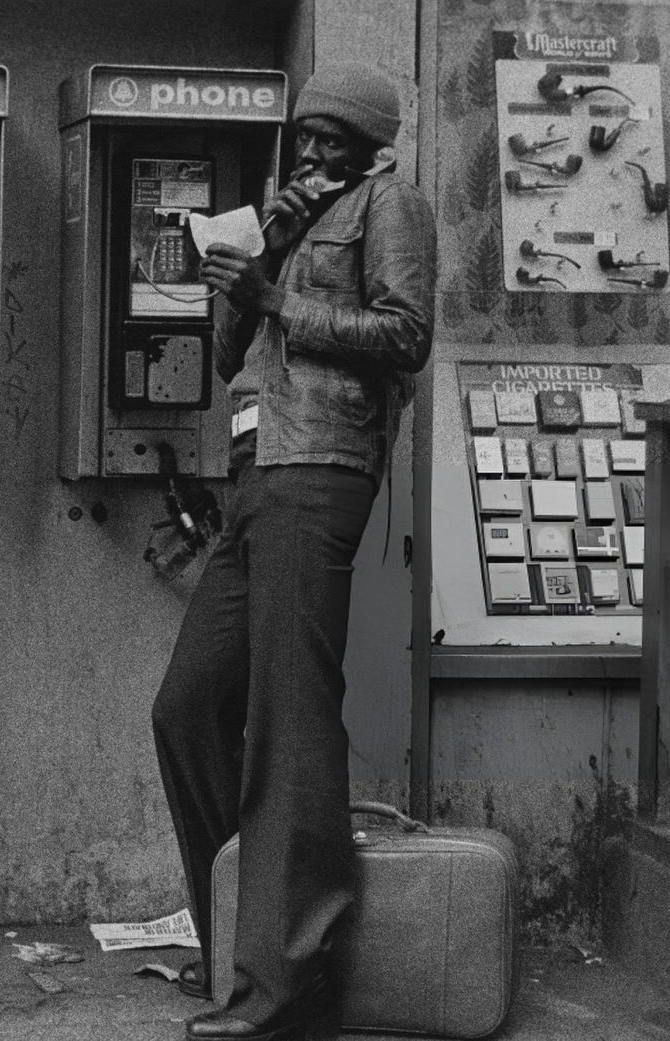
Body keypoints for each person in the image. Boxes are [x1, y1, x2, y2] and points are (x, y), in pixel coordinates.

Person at [151, 63, 436, 1041]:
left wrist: (277, 297)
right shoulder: (296, 219)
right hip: (255, 478)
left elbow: (404, 334)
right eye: (303, 137)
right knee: (187, 707)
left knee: (287, 727)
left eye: (331, 141)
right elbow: (230, 360)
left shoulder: (390, 204)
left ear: (366, 145)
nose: (312, 153)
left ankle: (284, 985)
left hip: (321, 471)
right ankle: (239, 944)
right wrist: (255, 269)